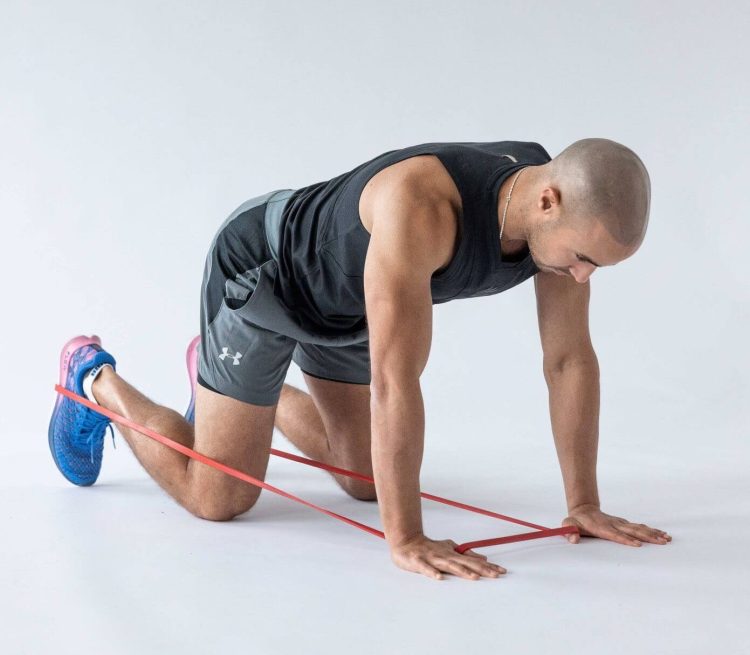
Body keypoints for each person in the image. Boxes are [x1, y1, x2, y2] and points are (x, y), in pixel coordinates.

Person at [48, 138, 672, 581]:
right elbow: (396, 382)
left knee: (367, 481)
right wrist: (406, 540)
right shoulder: (419, 210)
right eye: (584, 258)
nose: (583, 277)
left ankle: (215, 382)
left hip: (353, 306)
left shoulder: (559, 218)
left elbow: (568, 362)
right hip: (265, 278)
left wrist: (583, 503)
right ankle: (94, 378)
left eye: (598, 266)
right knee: (220, 498)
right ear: (548, 202)